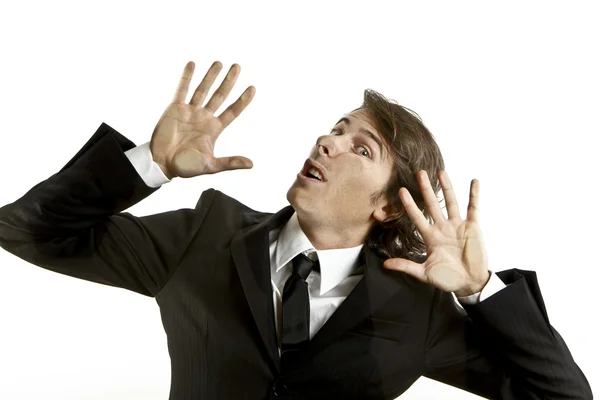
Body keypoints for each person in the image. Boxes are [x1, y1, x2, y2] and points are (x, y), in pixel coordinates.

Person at [0, 60, 592, 400]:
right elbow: (25, 232)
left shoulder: (419, 311)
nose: (328, 141)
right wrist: (150, 164)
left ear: (390, 205)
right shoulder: (205, 233)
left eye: (361, 147)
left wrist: (480, 288)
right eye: (336, 128)